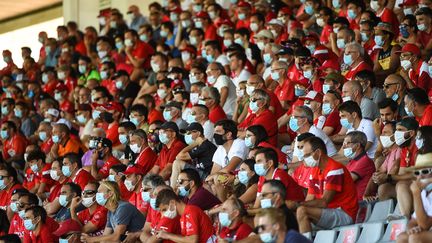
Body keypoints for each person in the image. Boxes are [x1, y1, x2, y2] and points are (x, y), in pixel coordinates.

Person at [296, 137, 359, 233]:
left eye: (307, 155)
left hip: (344, 213)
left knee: (302, 211)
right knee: (292, 214)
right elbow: (309, 199)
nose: (305, 159)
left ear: (318, 153)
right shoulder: (314, 170)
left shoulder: (335, 169)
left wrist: (298, 204)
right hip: (328, 211)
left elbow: (324, 202)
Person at [81, 181, 145, 242]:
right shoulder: (110, 212)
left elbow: (117, 237)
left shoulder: (123, 207)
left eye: (99, 192)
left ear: (110, 194)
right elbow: (106, 236)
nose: (97, 195)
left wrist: (91, 239)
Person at [397, 152, 432, 243]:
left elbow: (425, 225)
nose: (420, 177)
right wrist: (412, 229)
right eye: (417, 173)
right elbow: (413, 221)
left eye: (425, 171)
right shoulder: (424, 191)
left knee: (415, 238)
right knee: (402, 237)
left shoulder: (419, 191)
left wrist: (416, 193)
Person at [170, 122, 217, 187]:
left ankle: (172, 191)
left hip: (207, 176)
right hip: (199, 172)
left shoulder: (205, 145)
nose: (187, 135)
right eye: (186, 133)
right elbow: (179, 156)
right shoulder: (198, 146)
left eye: (189, 133)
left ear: (198, 133)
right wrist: (195, 144)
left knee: (177, 163)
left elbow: (179, 157)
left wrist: (195, 143)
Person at [364, 121, 400, 201]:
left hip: (399, 189)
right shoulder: (390, 153)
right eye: (382, 132)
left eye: (385, 132)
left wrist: (382, 178)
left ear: (395, 136)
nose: (382, 135)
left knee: (383, 189)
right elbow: (377, 173)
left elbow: (392, 176)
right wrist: (366, 195)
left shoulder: (399, 150)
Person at [342, 131, 376, 200]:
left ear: (357, 146)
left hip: (359, 204)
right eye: (344, 143)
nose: (343, 146)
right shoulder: (352, 161)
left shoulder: (365, 161)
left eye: (347, 143)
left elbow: (345, 181)